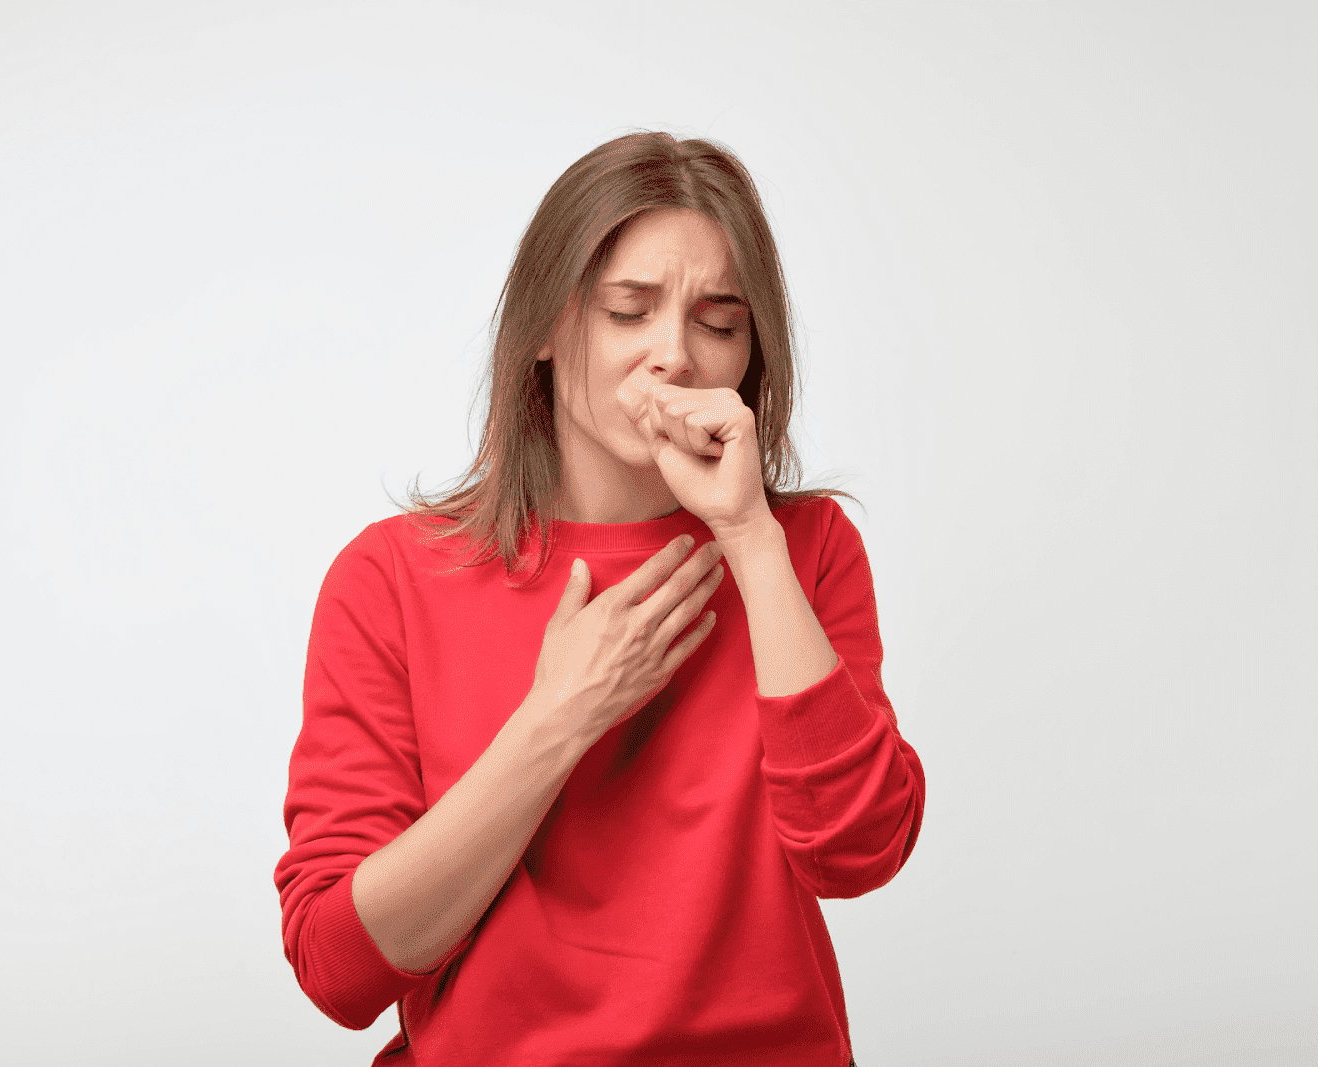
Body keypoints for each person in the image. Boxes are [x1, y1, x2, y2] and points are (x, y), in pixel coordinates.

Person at [273, 130, 924, 1066]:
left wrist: (748, 539)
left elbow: (857, 852)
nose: (675, 356)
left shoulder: (805, 549)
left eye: (720, 320)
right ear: (544, 327)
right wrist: (559, 718)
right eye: (629, 310)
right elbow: (340, 969)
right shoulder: (392, 577)